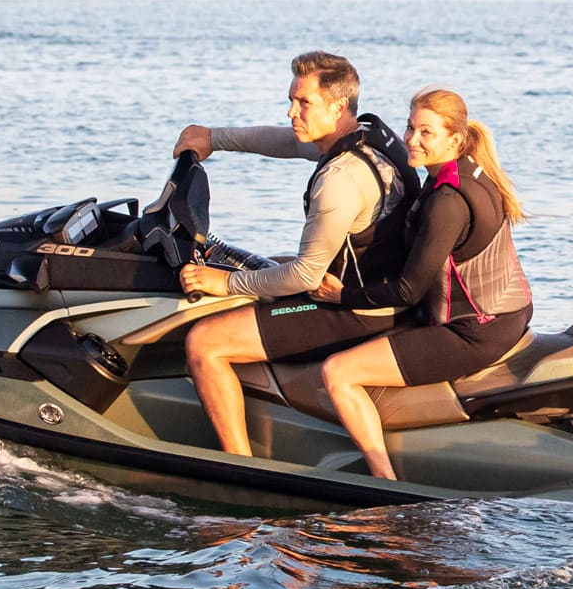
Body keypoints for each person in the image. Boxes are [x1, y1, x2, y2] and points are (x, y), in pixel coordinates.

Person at [171, 51, 413, 458]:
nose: (291, 112)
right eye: (292, 100)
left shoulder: (339, 179)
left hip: (355, 309)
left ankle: (239, 465)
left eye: (304, 103)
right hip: (377, 284)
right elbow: (287, 142)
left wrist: (224, 281)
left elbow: (303, 277)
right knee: (272, 262)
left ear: (337, 108)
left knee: (204, 342)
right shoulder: (368, 134)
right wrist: (214, 138)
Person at [311, 87, 533, 480]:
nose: (412, 140)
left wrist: (341, 294)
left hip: (472, 332)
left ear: (456, 138)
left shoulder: (446, 201)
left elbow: (407, 291)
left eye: (426, 132)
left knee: (338, 372)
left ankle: (383, 484)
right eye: (411, 128)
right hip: (507, 315)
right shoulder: (471, 175)